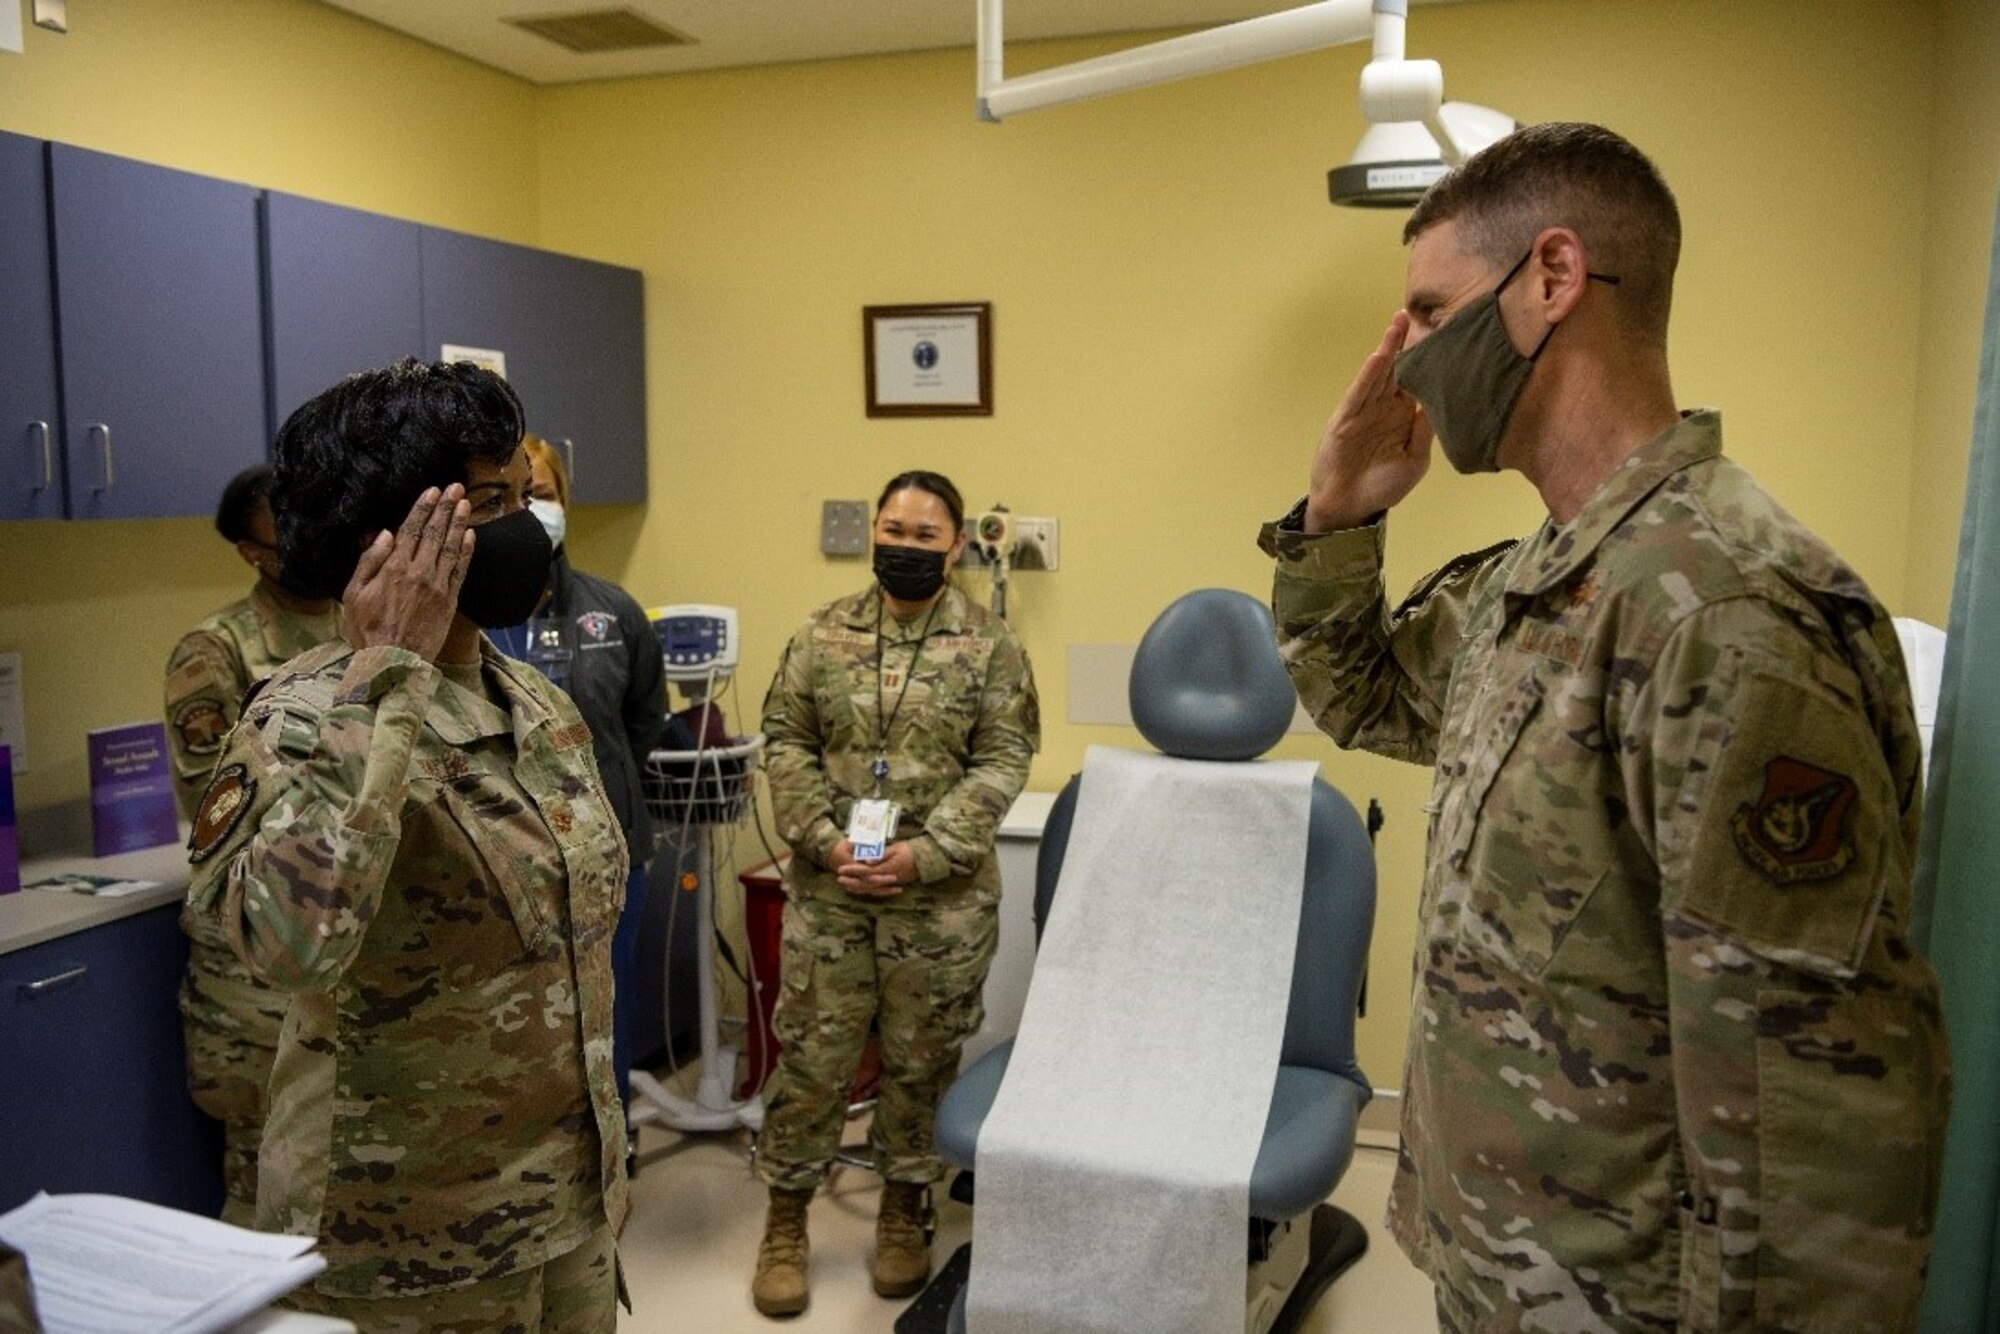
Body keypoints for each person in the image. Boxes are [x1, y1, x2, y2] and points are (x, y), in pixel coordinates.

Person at [1260, 122, 1949, 1332]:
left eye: (1425, 311)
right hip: (1513, 1270)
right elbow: (1361, 694)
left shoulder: (1722, 616)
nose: (1404, 361)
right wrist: (1337, 516)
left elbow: (1808, 1131)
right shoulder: (1539, 582)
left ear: (1551, 277)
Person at [183, 360, 630, 1332]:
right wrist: (386, 669)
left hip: (568, 1208)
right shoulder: (302, 718)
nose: (523, 526)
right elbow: (290, 948)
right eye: (487, 502)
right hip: (403, 1252)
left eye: (520, 495)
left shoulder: (535, 703)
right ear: (388, 540)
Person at [753, 470, 1040, 1318]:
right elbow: (785, 740)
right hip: (831, 891)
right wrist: (822, 839)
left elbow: (1003, 760)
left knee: (922, 1063)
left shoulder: (991, 646)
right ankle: (783, 1218)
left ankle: (904, 1211)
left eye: (923, 535)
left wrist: (927, 853)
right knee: (812, 1061)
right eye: (892, 529)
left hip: (937, 904)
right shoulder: (821, 634)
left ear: (957, 545)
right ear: (870, 533)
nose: (903, 546)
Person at [165, 463, 342, 1224]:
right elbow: (226, 808)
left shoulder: (360, 626)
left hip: (344, 940)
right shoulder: (215, 651)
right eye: (288, 527)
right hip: (259, 960)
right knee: (268, 1184)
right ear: (252, 552)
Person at [489, 434, 669, 1109]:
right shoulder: (459, 621)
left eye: (540, 495)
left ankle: (611, 1158)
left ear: (566, 501)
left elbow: (645, 720)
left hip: (608, 856)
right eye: (508, 498)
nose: (530, 511)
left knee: (604, 1012)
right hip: (499, 865)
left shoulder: (612, 613)